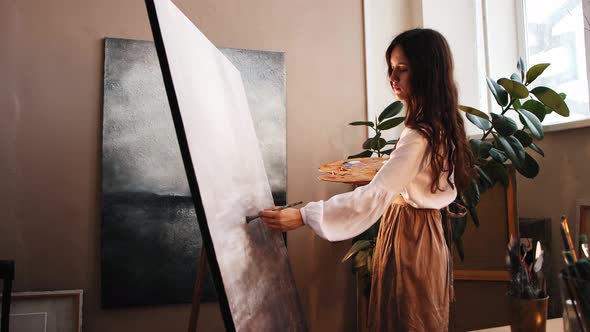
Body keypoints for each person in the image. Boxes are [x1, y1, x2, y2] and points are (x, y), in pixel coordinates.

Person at [259, 28, 475, 332]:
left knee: (407, 319)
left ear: (427, 71)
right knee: (420, 318)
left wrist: (303, 215)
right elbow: (417, 179)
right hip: (428, 233)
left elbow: (375, 195)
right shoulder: (442, 123)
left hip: (411, 236)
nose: (392, 77)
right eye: (390, 69)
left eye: (402, 69)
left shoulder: (419, 134)